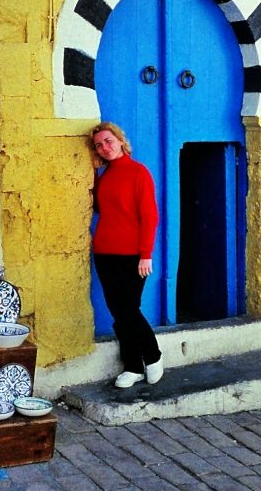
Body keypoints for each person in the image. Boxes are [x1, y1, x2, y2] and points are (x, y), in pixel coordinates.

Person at [88, 121, 163, 388]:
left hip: (132, 255)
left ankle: (153, 356)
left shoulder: (138, 172)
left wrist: (146, 254)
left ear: (120, 140)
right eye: (99, 145)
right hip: (105, 252)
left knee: (128, 309)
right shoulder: (106, 174)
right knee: (119, 311)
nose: (105, 147)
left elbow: (150, 216)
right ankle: (132, 367)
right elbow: (98, 207)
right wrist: (95, 175)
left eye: (108, 141)